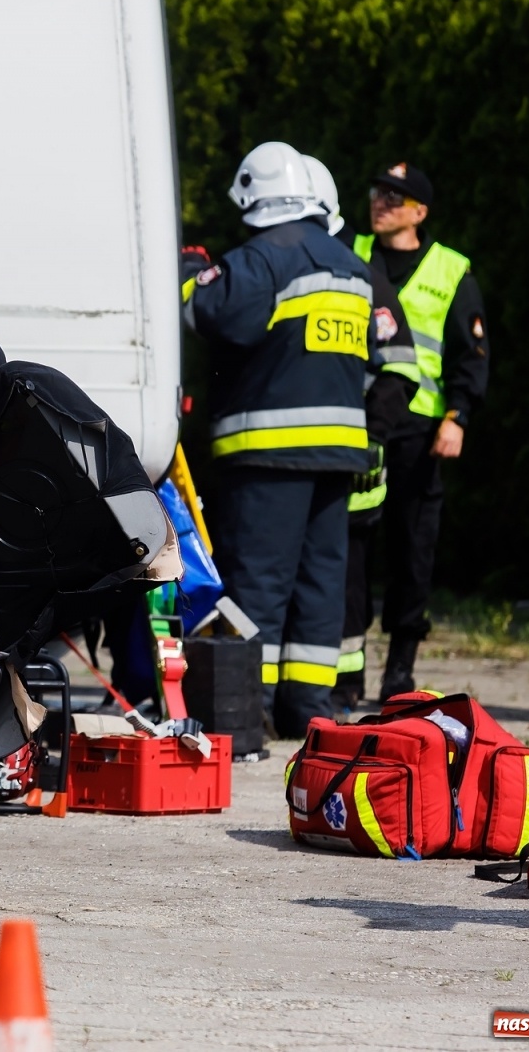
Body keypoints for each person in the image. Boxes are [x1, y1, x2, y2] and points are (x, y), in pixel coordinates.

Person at [181, 141, 371, 738]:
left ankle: (246, 712)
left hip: (270, 450)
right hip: (339, 451)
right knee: (320, 585)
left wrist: (189, 273)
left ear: (252, 195)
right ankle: (308, 709)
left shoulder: (263, 257)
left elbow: (210, 313)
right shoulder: (353, 266)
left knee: (259, 582)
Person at [353, 163, 488, 697]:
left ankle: (400, 670)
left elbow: (470, 355)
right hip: (358, 423)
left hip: (418, 429)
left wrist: (457, 417)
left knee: (412, 548)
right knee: (351, 550)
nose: (380, 201)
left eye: (394, 195)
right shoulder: (349, 250)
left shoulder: (450, 270)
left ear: (419, 212)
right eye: (377, 191)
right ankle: (346, 670)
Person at [302, 156, 415, 715]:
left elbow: (401, 367)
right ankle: (296, 692)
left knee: (346, 586)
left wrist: (368, 437)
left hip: (353, 472)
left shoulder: (358, 273)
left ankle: (343, 688)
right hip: (296, 466)